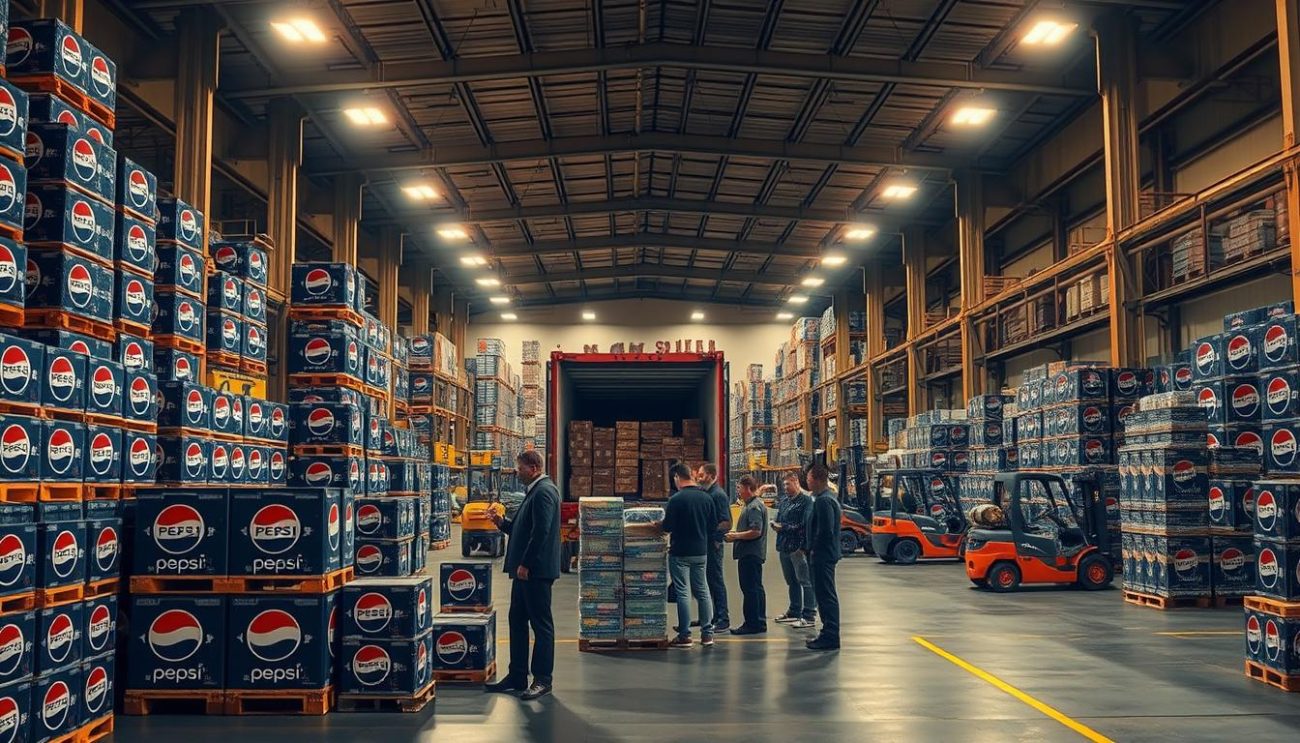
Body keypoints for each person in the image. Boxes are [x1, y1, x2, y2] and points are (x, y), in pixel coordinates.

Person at [485, 450, 561, 699]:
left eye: (519, 469)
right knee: (517, 621)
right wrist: (502, 522)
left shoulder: (544, 492)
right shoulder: (534, 492)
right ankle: (517, 675)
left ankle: (543, 679)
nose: (517, 473)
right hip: (523, 572)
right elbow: (523, 529)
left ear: (534, 467)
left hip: (535, 572)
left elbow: (542, 531)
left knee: (541, 624)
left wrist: (527, 563)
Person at [661, 463, 717, 648]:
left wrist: (657, 525)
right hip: (701, 551)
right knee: (703, 591)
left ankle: (685, 635)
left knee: (683, 592)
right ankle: (707, 634)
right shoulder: (707, 498)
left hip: (680, 552)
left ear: (677, 477)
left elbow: (667, 527)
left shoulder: (676, 500)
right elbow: (712, 526)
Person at [803, 464, 841, 650]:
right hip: (824, 554)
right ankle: (828, 633)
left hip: (822, 556)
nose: (807, 482)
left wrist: (813, 550)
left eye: (809, 479)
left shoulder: (823, 501)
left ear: (817, 479)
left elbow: (825, 530)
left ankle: (830, 635)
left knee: (825, 595)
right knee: (824, 594)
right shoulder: (825, 498)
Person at [725, 476, 768, 635]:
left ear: (748, 488)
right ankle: (759, 621)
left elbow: (755, 531)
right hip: (751, 553)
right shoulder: (751, 505)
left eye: (739, 488)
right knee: (756, 588)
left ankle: (752, 623)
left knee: (750, 589)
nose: (738, 491)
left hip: (750, 554)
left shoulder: (754, 507)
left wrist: (735, 536)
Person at [772, 473, 816, 629]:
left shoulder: (806, 501)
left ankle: (809, 614)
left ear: (796, 483)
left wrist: (784, 528)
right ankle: (794, 611)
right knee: (792, 581)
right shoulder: (784, 501)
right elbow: (780, 519)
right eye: (783, 485)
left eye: (788, 484)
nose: (785, 488)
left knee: (805, 581)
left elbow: (805, 525)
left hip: (798, 547)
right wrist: (777, 525)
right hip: (784, 545)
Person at [695, 463, 732, 633]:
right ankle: (713, 616)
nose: (698, 478)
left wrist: (717, 539)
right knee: (708, 581)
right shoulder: (707, 492)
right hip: (706, 543)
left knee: (716, 580)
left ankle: (723, 619)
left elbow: (726, 522)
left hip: (713, 545)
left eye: (701, 475)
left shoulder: (718, 495)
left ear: (711, 475)